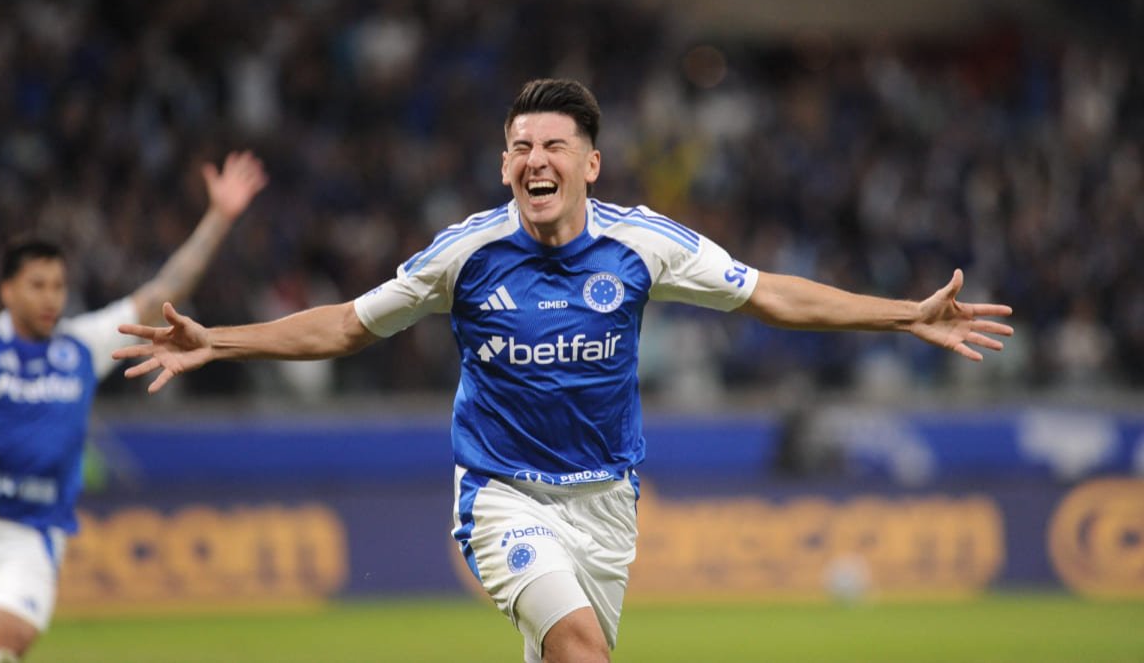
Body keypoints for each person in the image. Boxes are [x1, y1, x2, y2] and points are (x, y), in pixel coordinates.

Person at [113, 80, 1013, 663]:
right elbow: (348, 325)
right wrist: (218, 340)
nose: (533, 160)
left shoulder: (643, 243)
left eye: (552, 146)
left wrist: (906, 313)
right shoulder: (464, 255)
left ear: (589, 163)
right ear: (505, 164)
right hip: (503, 495)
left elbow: (770, 294)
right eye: (518, 146)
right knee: (580, 651)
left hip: (607, 503)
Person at [0, 151, 268, 663]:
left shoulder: (82, 344)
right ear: (6, 291)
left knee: (1, 648)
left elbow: (165, 289)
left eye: (58, 285)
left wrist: (220, 216)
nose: (52, 297)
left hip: (29, 537)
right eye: (37, 285)